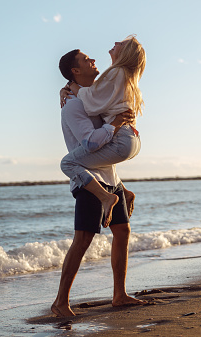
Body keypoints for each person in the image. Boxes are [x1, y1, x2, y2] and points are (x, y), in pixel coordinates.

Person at [51, 47, 146, 318]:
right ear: (75, 71)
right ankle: (60, 302)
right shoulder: (72, 105)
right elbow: (90, 143)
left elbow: (107, 150)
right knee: (82, 239)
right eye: (86, 60)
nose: (94, 61)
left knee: (123, 234)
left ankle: (119, 295)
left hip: (110, 179)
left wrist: (121, 184)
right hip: (89, 181)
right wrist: (115, 124)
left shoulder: (92, 95)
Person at [60, 35, 145, 227]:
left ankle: (107, 198)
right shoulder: (124, 75)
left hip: (123, 138)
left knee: (68, 162)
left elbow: (90, 103)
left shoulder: (116, 72)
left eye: (120, 44)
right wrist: (67, 87)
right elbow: (94, 93)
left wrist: (72, 87)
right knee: (122, 232)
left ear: (126, 53)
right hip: (131, 138)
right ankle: (123, 191)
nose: (115, 43)